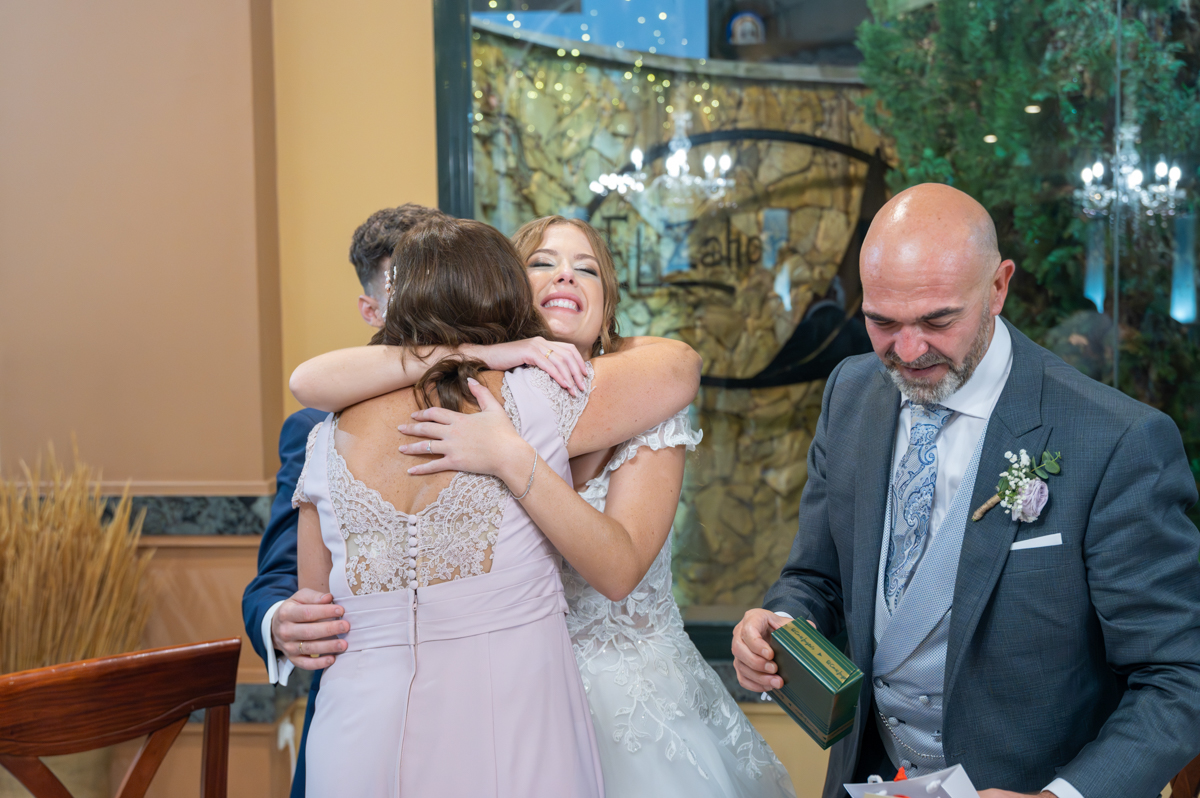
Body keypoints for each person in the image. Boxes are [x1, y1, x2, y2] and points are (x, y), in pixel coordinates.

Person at [290, 216, 797, 797]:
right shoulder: (523, 399)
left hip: (625, 705)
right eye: (542, 263)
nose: (565, 276)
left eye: (587, 269)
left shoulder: (333, 434)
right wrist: (490, 354)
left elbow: (679, 365)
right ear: (507, 291)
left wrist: (509, 452)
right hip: (510, 710)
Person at [731, 183, 1200, 798]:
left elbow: (1179, 675)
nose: (907, 351)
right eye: (881, 322)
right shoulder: (850, 392)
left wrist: (1060, 797)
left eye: (937, 320)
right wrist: (781, 626)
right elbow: (816, 577)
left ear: (998, 287)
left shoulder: (1118, 441)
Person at [241, 203, 449, 798]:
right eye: (405, 289)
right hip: (359, 720)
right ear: (370, 310)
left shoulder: (505, 402)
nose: (428, 304)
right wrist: (280, 622)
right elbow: (275, 578)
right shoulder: (314, 426)